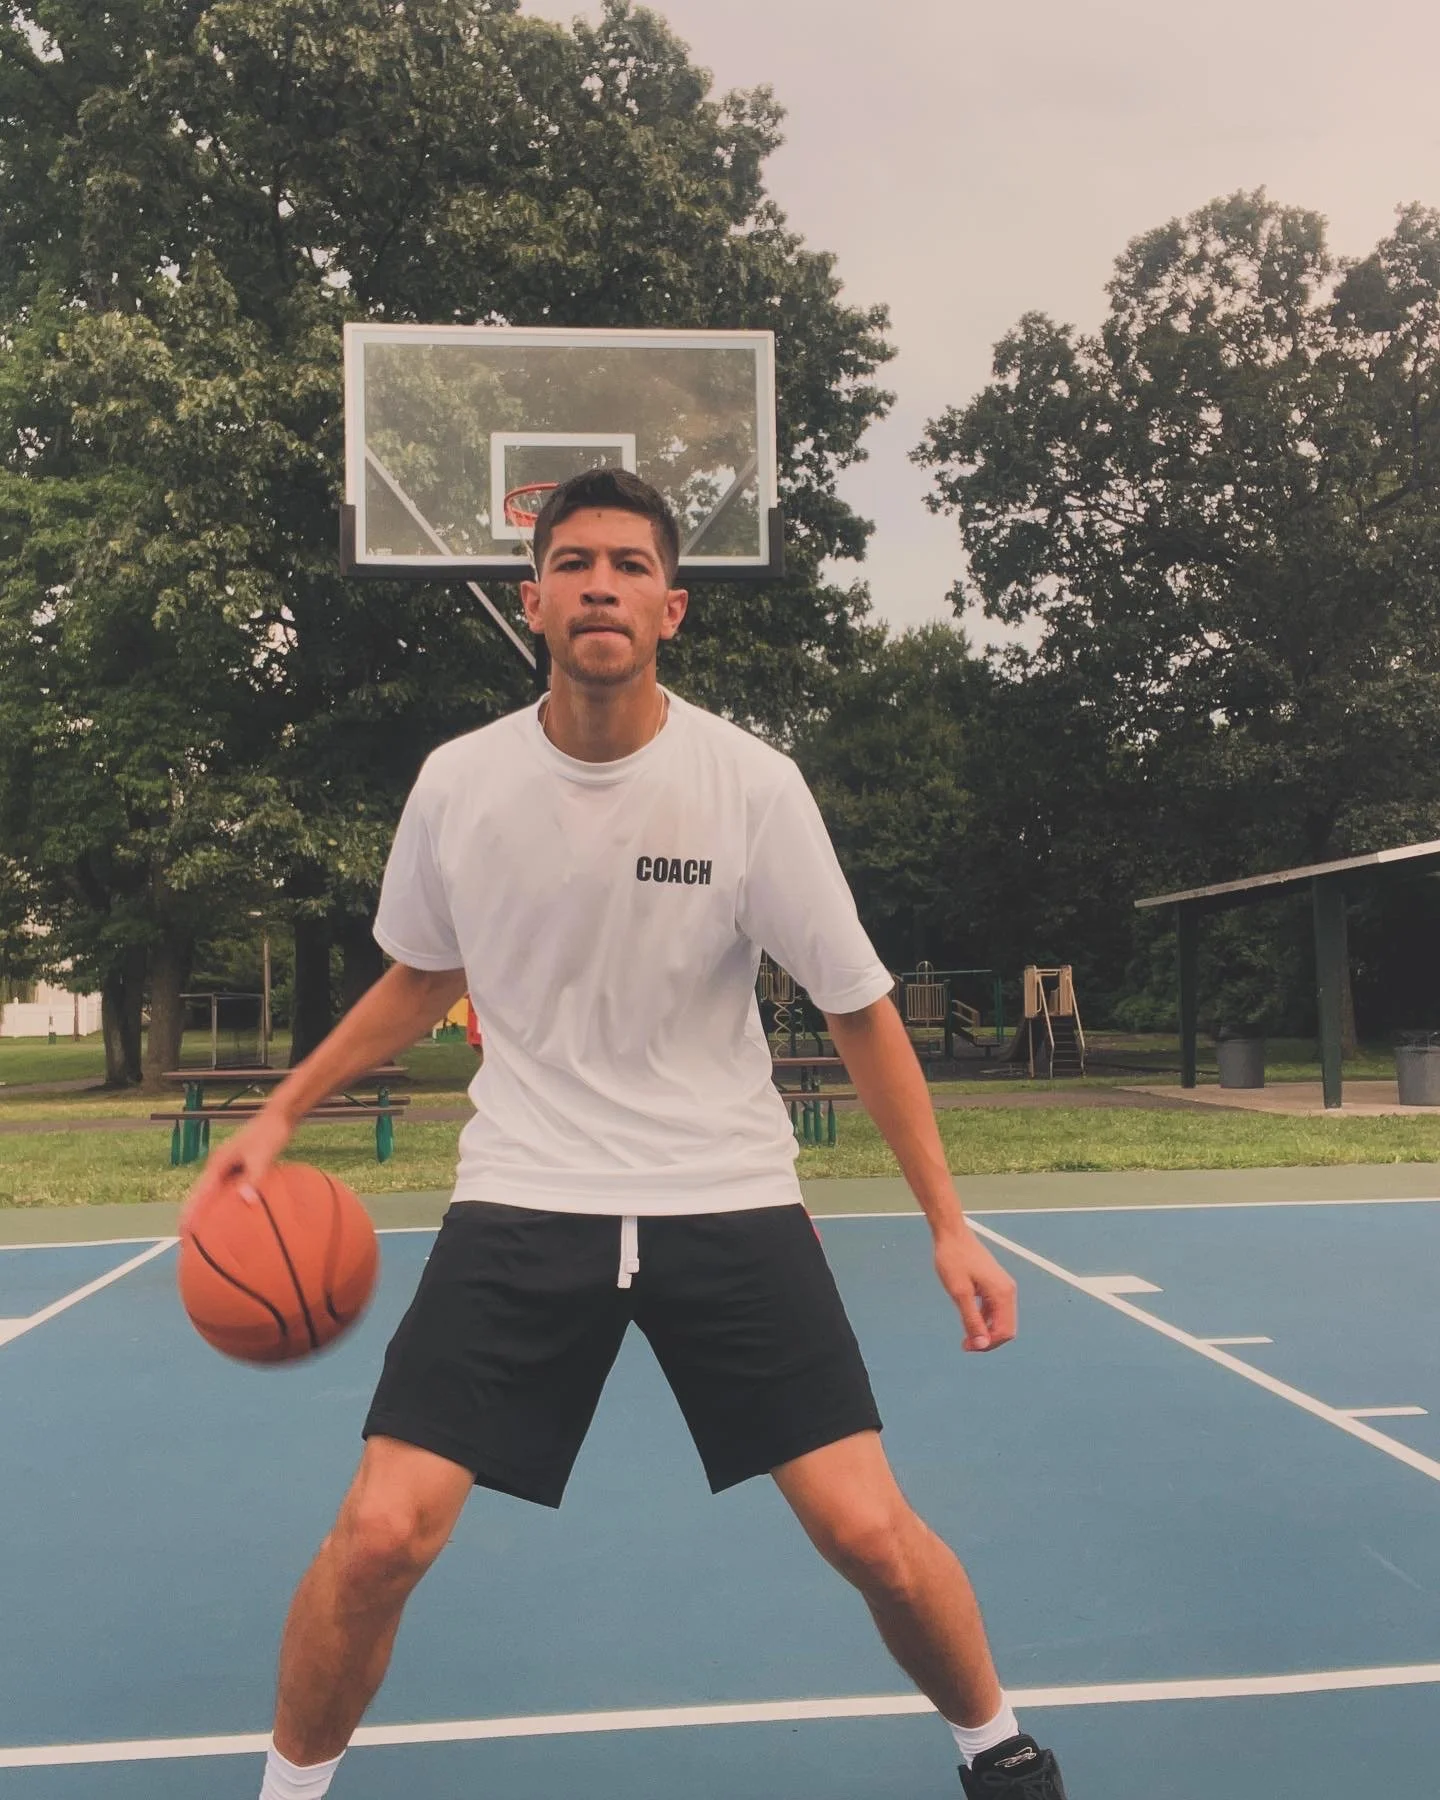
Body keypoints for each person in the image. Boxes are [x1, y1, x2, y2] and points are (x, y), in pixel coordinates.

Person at [184, 468, 1070, 1800]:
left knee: (871, 1534)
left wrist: (951, 1225)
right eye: (577, 562)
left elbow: (860, 1010)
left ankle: (998, 1753)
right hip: (526, 1197)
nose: (604, 582)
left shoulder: (751, 788)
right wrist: (280, 1112)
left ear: (674, 607)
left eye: (632, 564)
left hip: (725, 1196)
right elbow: (422, 978)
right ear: (534, 600)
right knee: (377, 1537)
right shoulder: (460, 783)